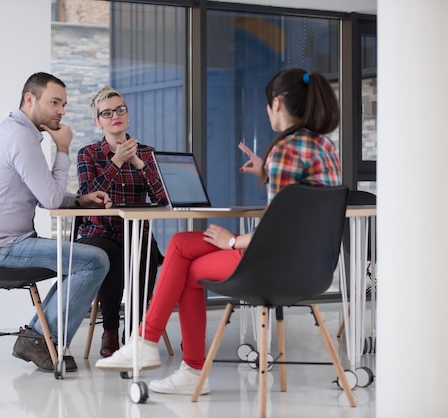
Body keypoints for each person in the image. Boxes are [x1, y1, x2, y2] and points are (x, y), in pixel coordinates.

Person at [95, 68, 342, 395]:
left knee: (186, 262)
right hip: (313, 269)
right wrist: (266, 172)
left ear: (278, 104)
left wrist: (234, 240)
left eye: (268, 104)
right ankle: (156, 348)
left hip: (272, 265)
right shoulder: (325, 148)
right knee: (183, 248)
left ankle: (171, 357)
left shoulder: (284, 150)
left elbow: (279, 231)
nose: (268, 111)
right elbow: (303, 210)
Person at [0, 72, 113, 373]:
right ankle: (43, 340)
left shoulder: (16, 132)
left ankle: (37, 339)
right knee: (95, 260)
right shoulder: (19, 136)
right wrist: (62, 149)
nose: (61, 110)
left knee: (76, 260)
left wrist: (79, 200)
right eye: (55, 102)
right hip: (2, 248)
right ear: (29, 99)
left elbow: (44, 189)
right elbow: (49, 199)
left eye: (64, 104)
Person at [75, 85, 168, 357]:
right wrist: (116, 162)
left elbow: (163, 199)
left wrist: (138, 162)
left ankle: (136, 331)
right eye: (107, 112)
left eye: (120, 109)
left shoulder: (147, 153)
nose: (115, 115)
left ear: (127, 114)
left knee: (146, 254)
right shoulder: (88, 154)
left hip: (136, 232)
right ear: (97, 121)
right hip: (99, 231)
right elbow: (89, 196)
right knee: (111, 254)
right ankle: (111, 329)